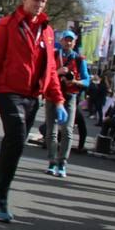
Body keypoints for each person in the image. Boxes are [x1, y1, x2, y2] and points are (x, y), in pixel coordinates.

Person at [0, 0, 66, 222]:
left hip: (32, 97)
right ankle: (1, 199)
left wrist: (59, 100)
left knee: (12, 146)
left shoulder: (47, 31)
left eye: (43, 1)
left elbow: (50, 69)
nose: (40, 4)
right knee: (17, 140)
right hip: (9, 92)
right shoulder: (7, 25)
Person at [48, 29, 89, 177]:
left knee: (67, 130)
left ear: (74, 43)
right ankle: (52, 161)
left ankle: (62, 162)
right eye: (66, 40)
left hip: (70, 96)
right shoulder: (53, 55)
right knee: (51, 131)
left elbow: (87, 81)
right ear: (61, 41)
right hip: (52, 95)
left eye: (71, 40)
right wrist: (57, 72)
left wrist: (75, 81)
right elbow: (45, 73)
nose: (68, 43)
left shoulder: (79, 59)